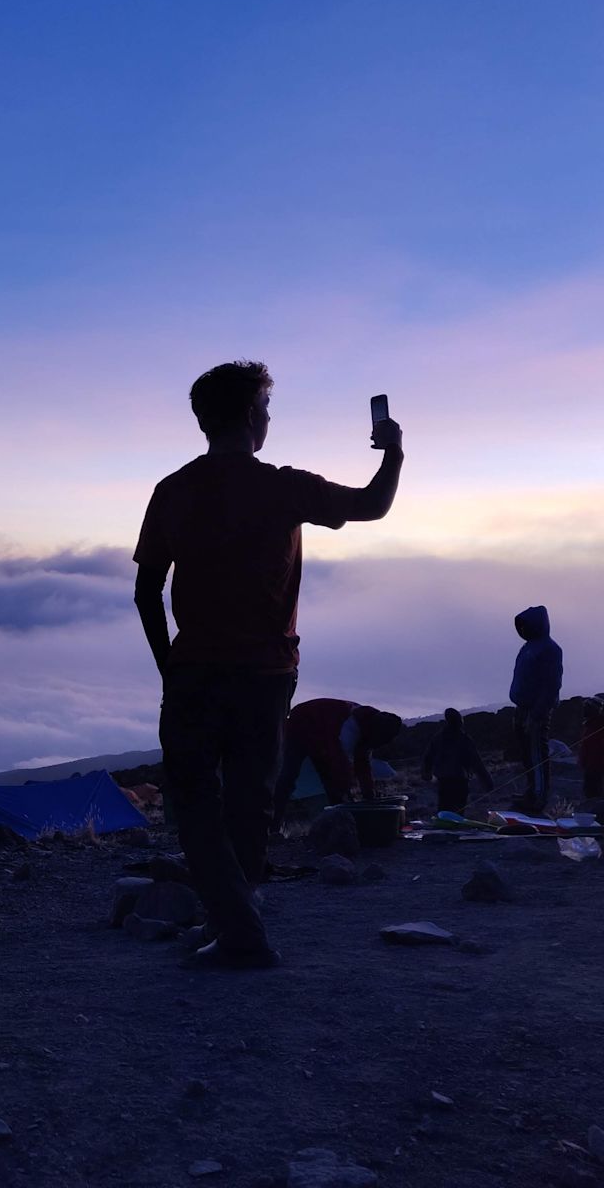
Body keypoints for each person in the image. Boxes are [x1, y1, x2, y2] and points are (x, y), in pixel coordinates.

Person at [133, 360, 403, 969]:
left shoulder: (171, 491)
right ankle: (238, 921)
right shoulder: (282, 486)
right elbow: (372, 505)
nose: (269, 418)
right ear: (253, 416)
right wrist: (393, 453)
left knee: (196, 802)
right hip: (267, 674)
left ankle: (235, 923)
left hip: (194, 671)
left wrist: (167, 666)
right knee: (250, 801)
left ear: (204, 419)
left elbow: (147, 590)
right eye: (267, 408)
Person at [273, 697, 403, 825]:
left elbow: (363, 764)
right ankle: (273, 824)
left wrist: (370, 797)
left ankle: (339, 822)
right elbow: (338, 762)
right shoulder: (349, 728)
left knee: (330, 781)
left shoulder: (370, 728)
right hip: (300, 724)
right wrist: (348, 793)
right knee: (289, 775)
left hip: (322, 729)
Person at [508, 605, 563, 814]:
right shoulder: (528, 647)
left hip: (536, 711)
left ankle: (539, 797)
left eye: (525, 626)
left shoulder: (550, 649)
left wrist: (537, 714)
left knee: (537, 754)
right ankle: (531, 791)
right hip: (521, 708)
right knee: (526, 755)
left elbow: (551, 685)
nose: (522, 630)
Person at [420, 707, 492, 814]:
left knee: (443, 809)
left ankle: (443, 827)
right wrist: (487, 782)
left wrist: (426, 773)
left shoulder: (438, 738)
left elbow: (428, 756)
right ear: (459, 721)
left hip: (443, 779)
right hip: (460, 780)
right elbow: (477, 762)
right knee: (458, 810)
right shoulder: (464, 739)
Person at [578, 696, 604, 800]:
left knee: (593, 790)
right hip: (590, 764)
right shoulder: (590, 726)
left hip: (595, 765)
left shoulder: (597, 726)